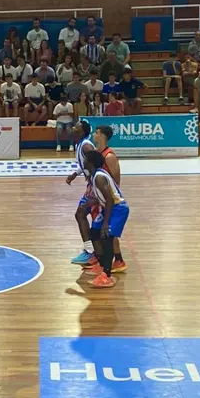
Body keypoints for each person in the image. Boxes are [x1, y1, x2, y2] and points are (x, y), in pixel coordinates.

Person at [81, 149, 129, 288]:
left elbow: (109, 200)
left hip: (118, 209)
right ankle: (102, 265)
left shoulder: (99, 177)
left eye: (85, 159)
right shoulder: (95, 175)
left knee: (106, 237)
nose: (83, 161)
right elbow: (102, 197)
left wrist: (105, 223)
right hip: (111, 207)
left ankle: (106, 275)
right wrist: (90, 203)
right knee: (94, 233)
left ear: (90, 163)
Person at [67, 121, 97, 266]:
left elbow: (97, 163)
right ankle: (92, 251)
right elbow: (86, 163)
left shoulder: (86, 146)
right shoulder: (81, 144)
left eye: (76, 127)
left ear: (81, 132)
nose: (72, 128)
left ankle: (92, 252)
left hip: (95, 186)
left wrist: (95, 183)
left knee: (81, 214)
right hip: (92, 185)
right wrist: (76, 173)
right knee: (84, 215)